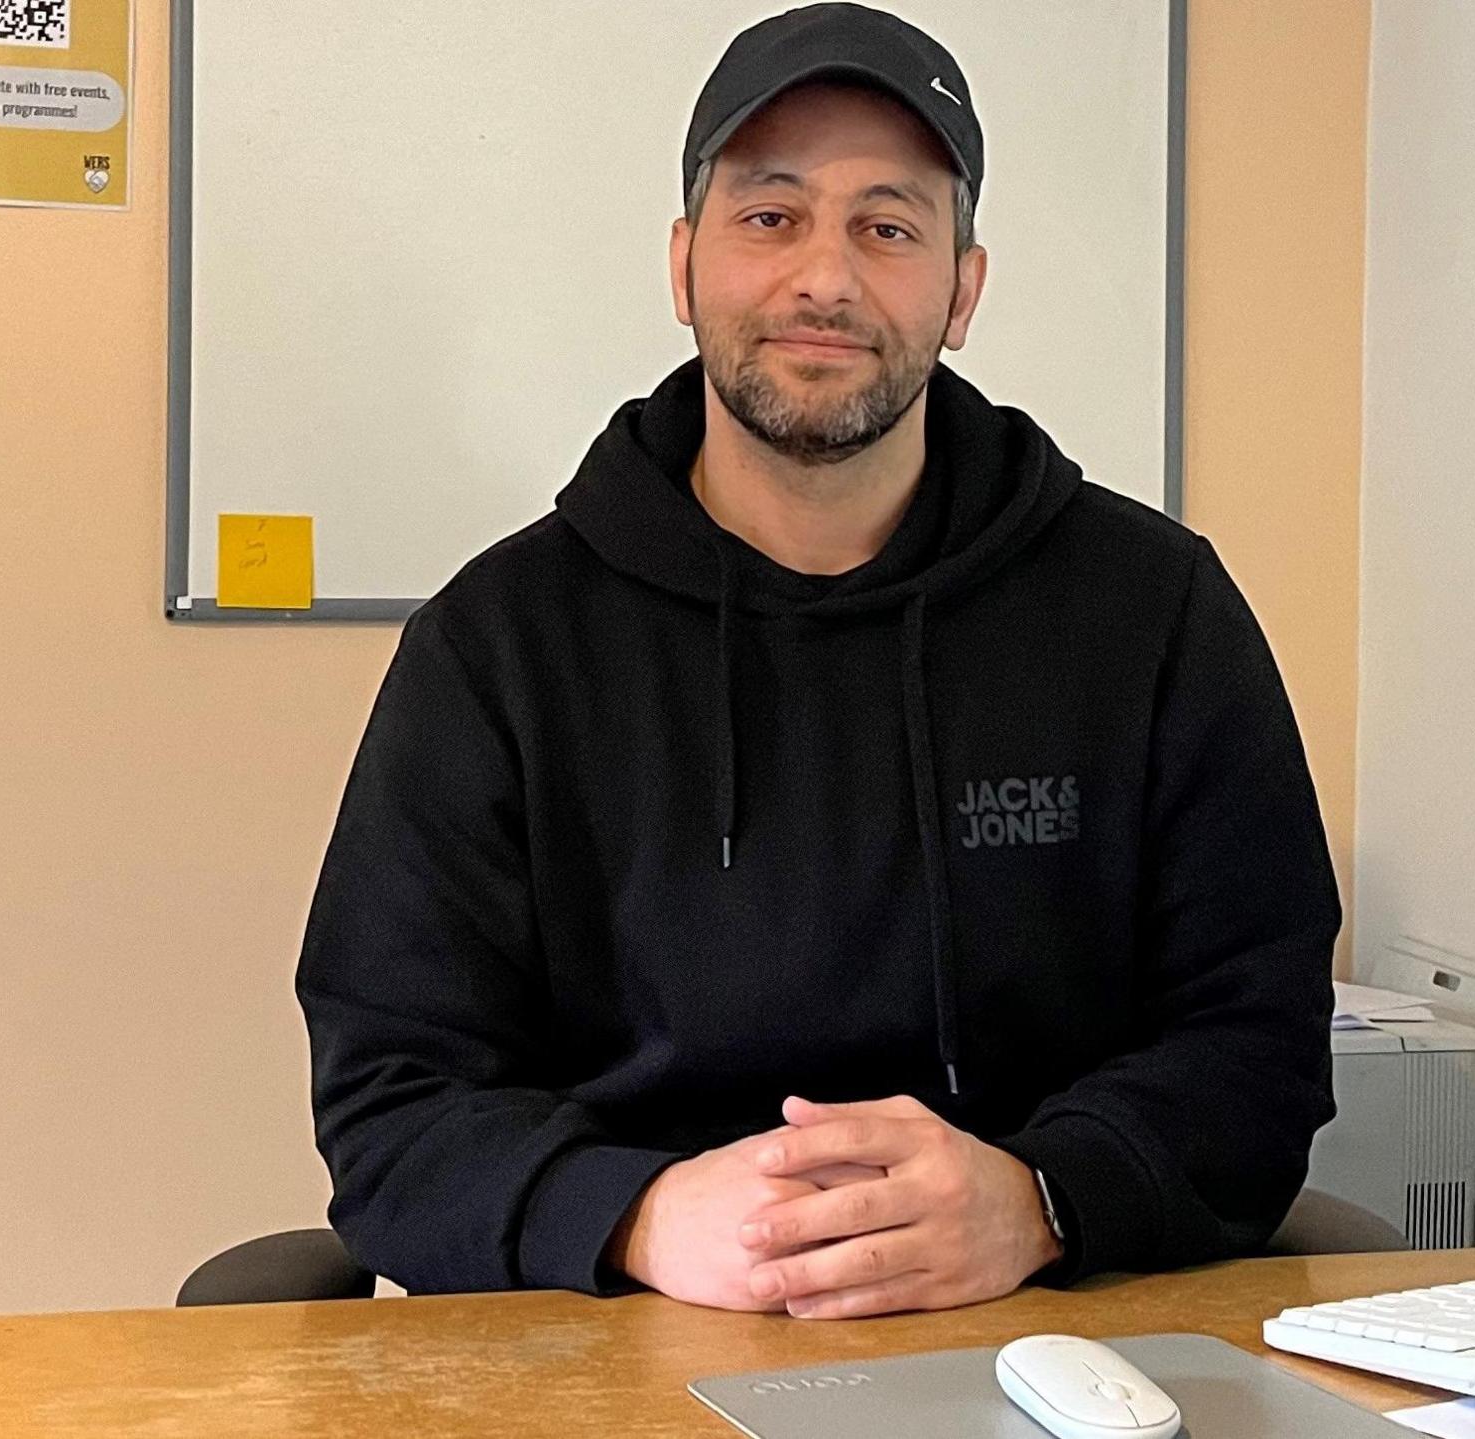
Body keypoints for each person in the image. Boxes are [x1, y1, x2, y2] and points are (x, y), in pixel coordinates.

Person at [297, 2, 1340, 1321]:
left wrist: (1038, 1200)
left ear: (961, 291)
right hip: (621, 1342)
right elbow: (393, 1099)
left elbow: (1255, 1045)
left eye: (888, 227)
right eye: (770, 216)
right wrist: (638, 1216)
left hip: (1044, 1332)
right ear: (684, 268)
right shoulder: (499, 645)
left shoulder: (1155, 613)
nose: (825, 280)